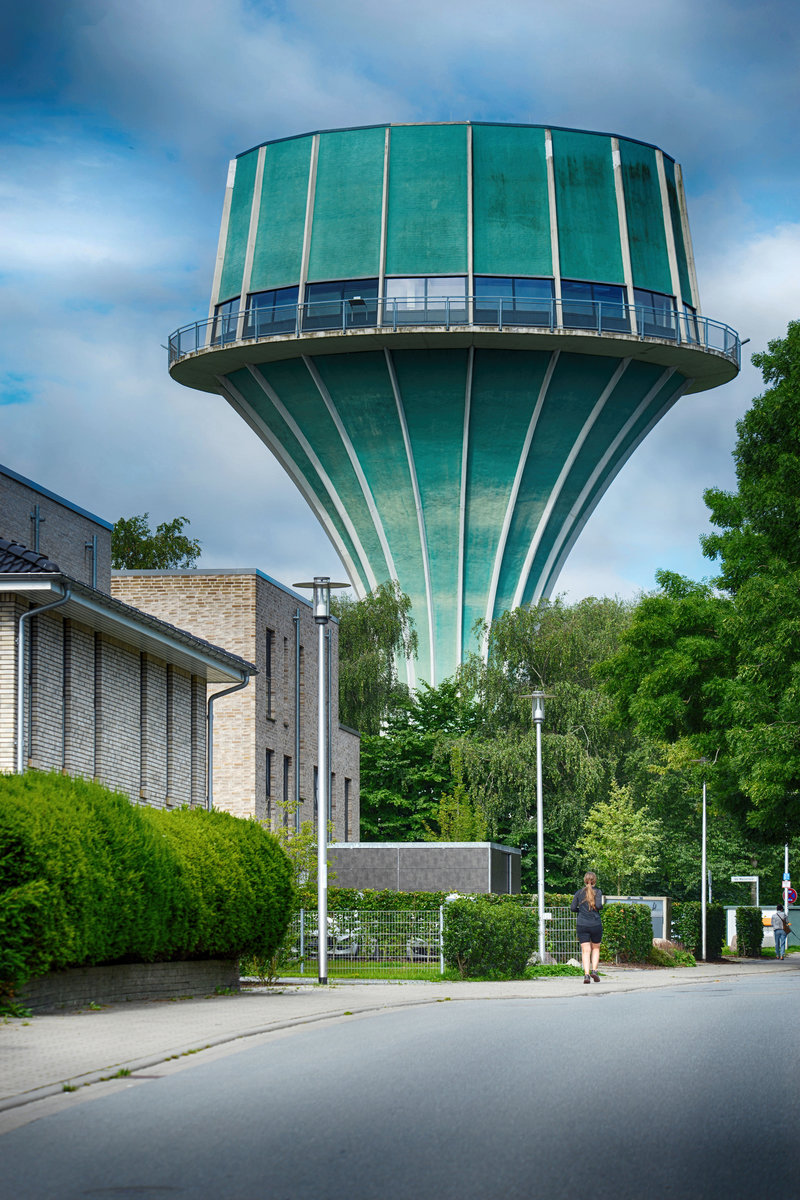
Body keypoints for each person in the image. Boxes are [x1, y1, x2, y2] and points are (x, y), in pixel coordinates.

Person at [571, 871, 604, 983]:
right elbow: (599, 906)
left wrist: (581, 911)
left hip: (582, 924)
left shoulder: (579, 893)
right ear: (594, 880)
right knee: (596, 948)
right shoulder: (598, 892)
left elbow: (572, 908)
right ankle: (594, 971)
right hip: (595, 924)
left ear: (585, 880)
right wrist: (599, 908)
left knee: (585, 950)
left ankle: (586, 975)